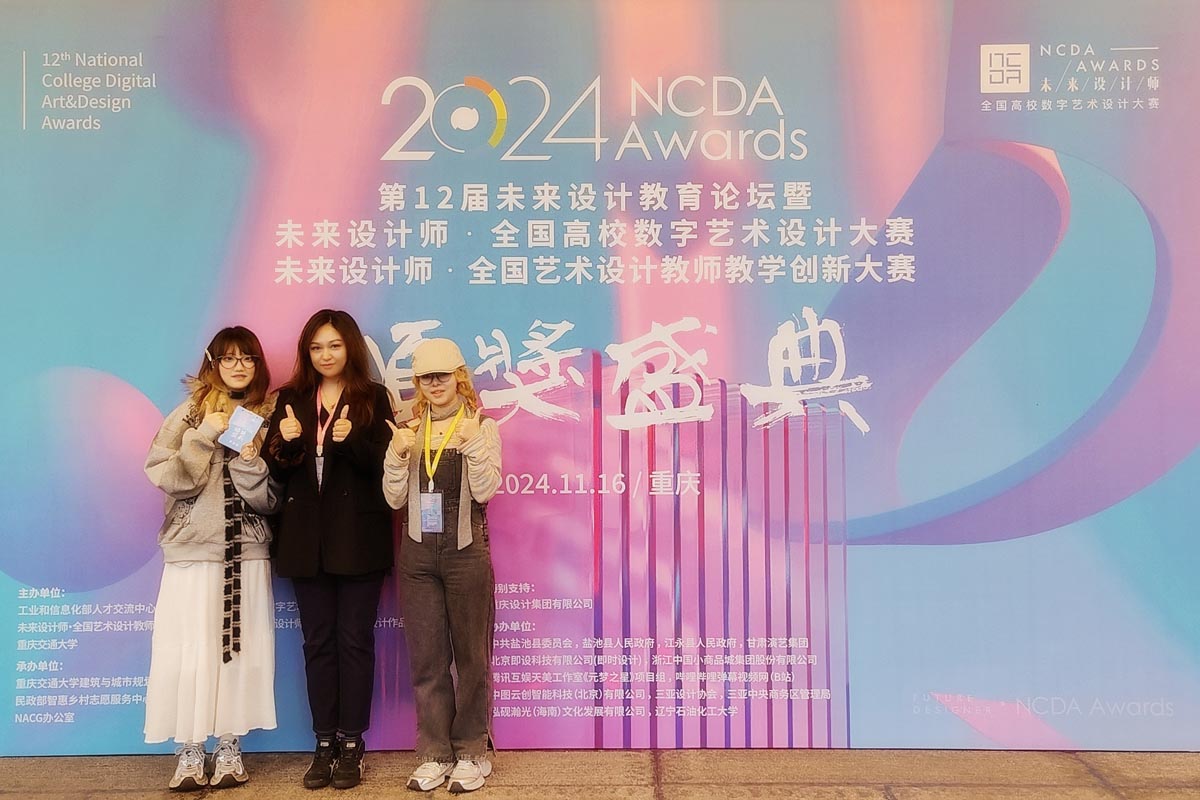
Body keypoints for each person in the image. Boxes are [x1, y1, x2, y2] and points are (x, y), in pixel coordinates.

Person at [143, 326, 279, 791]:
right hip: (192, 549)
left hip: (247, 551)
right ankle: (189, 748)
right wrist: (204, 434)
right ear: (213, 363)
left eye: (248, 358)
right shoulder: (189, 413)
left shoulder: (269, 415)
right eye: (229, 358)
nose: (239, 366)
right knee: (188, 648)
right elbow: (167, 476)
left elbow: (272, 500)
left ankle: (229, 746)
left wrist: (249, 461)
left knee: (239, 651)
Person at [264, 309, 394, 790]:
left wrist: (352, 440)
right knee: (317, 643)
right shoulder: (291, 399)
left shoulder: (373, 397)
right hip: (305, 542)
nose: (325, 355)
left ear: (350, 348)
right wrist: (285, 442)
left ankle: (352, 743)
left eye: (334, 346)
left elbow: (388, 469)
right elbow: (275, 471)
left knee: (354, 642)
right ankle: (323, 742)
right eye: (316, 347)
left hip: (358, 540)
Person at [382, 338, 502, 794]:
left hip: (467, 553)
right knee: (427, 660)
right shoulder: (407, 432)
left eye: (442, 375)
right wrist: (397, 455)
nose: (435, 384)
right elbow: (393, 498)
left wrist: (472, 447)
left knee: (472, 658)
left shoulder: (481, 426)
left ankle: (472, 752)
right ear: (417, 382)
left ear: (459, 377)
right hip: (416, 557)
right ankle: (434, 754)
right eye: (426, 377)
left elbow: (486, 490)